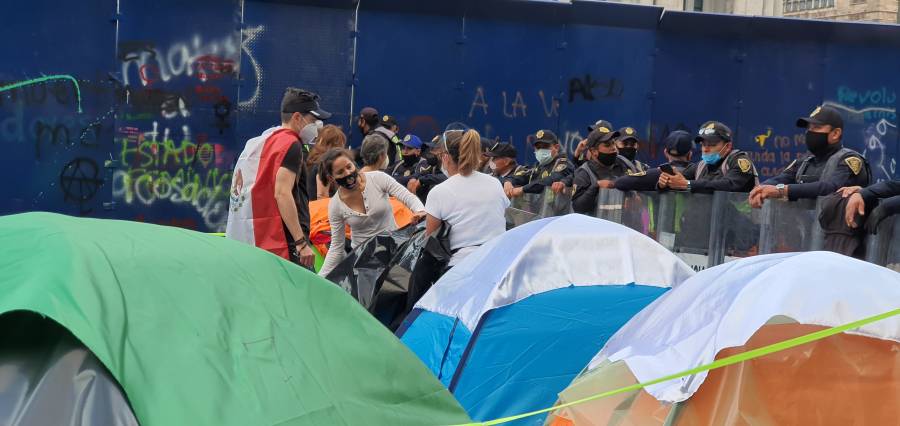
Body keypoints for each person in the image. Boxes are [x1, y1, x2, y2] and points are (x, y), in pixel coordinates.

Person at [226, 87, 331, 268]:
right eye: (314, 120)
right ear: (297, 117)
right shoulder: (291, 145)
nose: (317, 126)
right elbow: (282, 193)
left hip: (262, 237)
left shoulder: (265, 140)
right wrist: (301, 242)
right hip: (285, 240)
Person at [406, 129, 510, 312]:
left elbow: (431, 240)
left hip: (460, 270)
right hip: (499, 267)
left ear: (446, 157)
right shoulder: (495, 183)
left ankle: (407, 320)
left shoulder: (440, 192)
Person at [318, 148, 426, 277]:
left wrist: (420, 211)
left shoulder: (378, 178)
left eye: (349, 166)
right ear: (331, 178)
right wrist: (320, 278)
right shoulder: (335, 205)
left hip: (394, 250)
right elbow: (337, 247)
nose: (348, 173)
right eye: (340, 172)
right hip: (363, 263)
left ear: (354, 164)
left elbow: (408, 197)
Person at [749, 105, 870, 208]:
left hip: (840, 232)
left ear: (835, 133)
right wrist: (760, 189)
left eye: (817, 128)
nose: (810, 132)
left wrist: (782, 190)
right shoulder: (805, 162)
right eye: (809, 128)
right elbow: (781, 179)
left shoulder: (850, 160)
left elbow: (830, 188)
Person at [659, 121, 758, 193]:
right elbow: (679, 179)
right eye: (703, 144)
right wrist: (665, 182)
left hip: (740, 220)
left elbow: (728, 185)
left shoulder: (740, 160)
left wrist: (688, 184)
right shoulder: (701, 166)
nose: (705, 149)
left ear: (728, 146)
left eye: (711, 144)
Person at [571, 127, 641, 214]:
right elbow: (578, 207)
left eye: (613, 143)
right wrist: (596, 186)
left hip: (622, 225)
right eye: (607, 145)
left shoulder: (625, 164)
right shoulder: (584, 173)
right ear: (594, 151)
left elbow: (638, 192)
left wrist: (635, 199)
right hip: (598, 225)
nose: (613, 148)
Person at [615, 130, 695, 192]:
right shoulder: (699, 174)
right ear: (690, 155)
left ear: (665, 153)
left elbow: (620, 183)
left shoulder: (658, 174)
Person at [504, 129, 574, 197]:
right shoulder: (539, 166)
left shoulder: (563, 164)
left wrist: (522, 189)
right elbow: (524, 175)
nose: (541, 150)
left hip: (559, 208)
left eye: (545, 146)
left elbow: (549, 181)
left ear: (556, 147)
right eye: (538, 148)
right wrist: (509, 181)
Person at [306, 124, 347, 200]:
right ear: (331, 145)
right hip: (320, 209)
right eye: (340, 145)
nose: (342, 150)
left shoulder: (314, 160)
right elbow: (322, 195)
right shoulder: (324, 164)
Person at [406, 135, 448, 202]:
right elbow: (421, 172)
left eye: (435, 149)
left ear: (444, 150)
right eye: (431, 148)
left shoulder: (451, 164)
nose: (431, 152)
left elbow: (448, 177)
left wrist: (421, 180)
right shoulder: (432, 164)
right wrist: (414, 178)